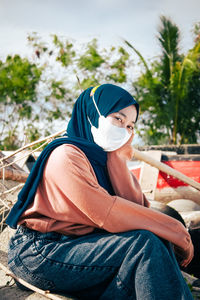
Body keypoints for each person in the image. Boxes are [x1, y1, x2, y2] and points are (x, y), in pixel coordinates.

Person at [6, 84, 194, 300]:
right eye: (118, 119)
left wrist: (117, 157)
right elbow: (107, 213)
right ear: (94, 114)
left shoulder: (103, 158)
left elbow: (137, 207)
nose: (124, 130)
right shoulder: (66, 155)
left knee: (154, 239)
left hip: (81, 246)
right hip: (42, 251)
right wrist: (177, 231)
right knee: (143, 243)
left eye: (131, 126)